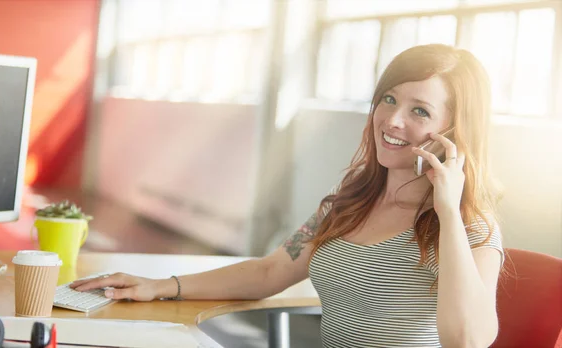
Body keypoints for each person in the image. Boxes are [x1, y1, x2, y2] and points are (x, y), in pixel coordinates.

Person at [71, 44, 505, 347]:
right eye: (388, 99)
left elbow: (467, 340)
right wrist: (160, 287)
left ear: (453, 131)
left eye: (419, 111)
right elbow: (270, 272)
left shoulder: (471, 227)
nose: (391, 121)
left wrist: (447, 210)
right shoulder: (350, 199)